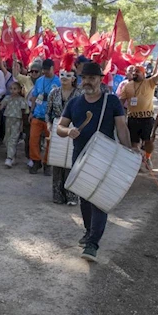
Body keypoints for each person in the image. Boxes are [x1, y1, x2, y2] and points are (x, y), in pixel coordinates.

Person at [57, 62, 131, 262]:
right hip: (80, 156)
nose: (87, 82)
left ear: (100, 79)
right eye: (85, 78)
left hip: (104, 158)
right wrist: (68, 131)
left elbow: (122, 128)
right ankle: (89, 232)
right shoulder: (74, 103)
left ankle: (93, 243)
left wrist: (129, 151)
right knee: (85, 198)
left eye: (92, 78)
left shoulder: (112, 101)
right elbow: (59, 128)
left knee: (99, 200)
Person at [119, 55, 158, 170]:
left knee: (148, 141)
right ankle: (137, 163)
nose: (135, 73)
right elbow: (121, 101)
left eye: (138, 72)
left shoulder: (149, 83)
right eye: (134, 72)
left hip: (147, 118)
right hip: (133, 118)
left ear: (143, 74)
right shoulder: (127, 86)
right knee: (134, 143)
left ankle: (147, 157)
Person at [47, 68, 80, 205]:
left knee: (71, 163)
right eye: (61, 75)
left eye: (68, 75)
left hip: (74, 130)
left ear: (73, 78)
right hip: (57, 128)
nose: (64, 77)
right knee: (57, 162)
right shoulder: (54, 93)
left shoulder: (80, 94)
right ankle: (57, 195)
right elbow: (48, 113)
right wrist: (49, 125)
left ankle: (72, 196)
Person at [28, 58, 60, 175]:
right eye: (44, 70)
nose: (46, 72)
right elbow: (34, 96)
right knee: (33, 140)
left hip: (51, 117)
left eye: (48, 69)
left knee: (50, 142)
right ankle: (36, 161)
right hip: (37, 114)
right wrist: (31, 112)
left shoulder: (58, 82)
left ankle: (47, 163)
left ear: (53, 68)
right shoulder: (39, 81)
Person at [0, 82, 28, 168]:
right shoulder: (7, 98)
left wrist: (22, 124)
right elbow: (0, 107)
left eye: (15, 89)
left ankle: (9, 158)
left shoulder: (21, 100)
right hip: (8, 119)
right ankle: (13, 156)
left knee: (13, 138)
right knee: (7, 139)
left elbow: (23, 112)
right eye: (11, 89)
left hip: (17, 120)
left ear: (19, 90)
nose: (13, 91)